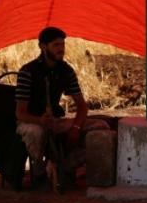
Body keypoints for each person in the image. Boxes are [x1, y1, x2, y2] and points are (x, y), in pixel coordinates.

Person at [15, 26, 96, 186]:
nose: (61, 49)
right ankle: (39, 171)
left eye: (62, 45)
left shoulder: (66, 71)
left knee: (100, 127)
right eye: (56, 45)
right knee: (36, 133)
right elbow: (20, 113)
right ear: (43, 47)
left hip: (55, 121)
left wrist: (76, 128)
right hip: (31, 122)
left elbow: (82, 106)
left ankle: (63, 166)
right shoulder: (27, 72)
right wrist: (39, 120)